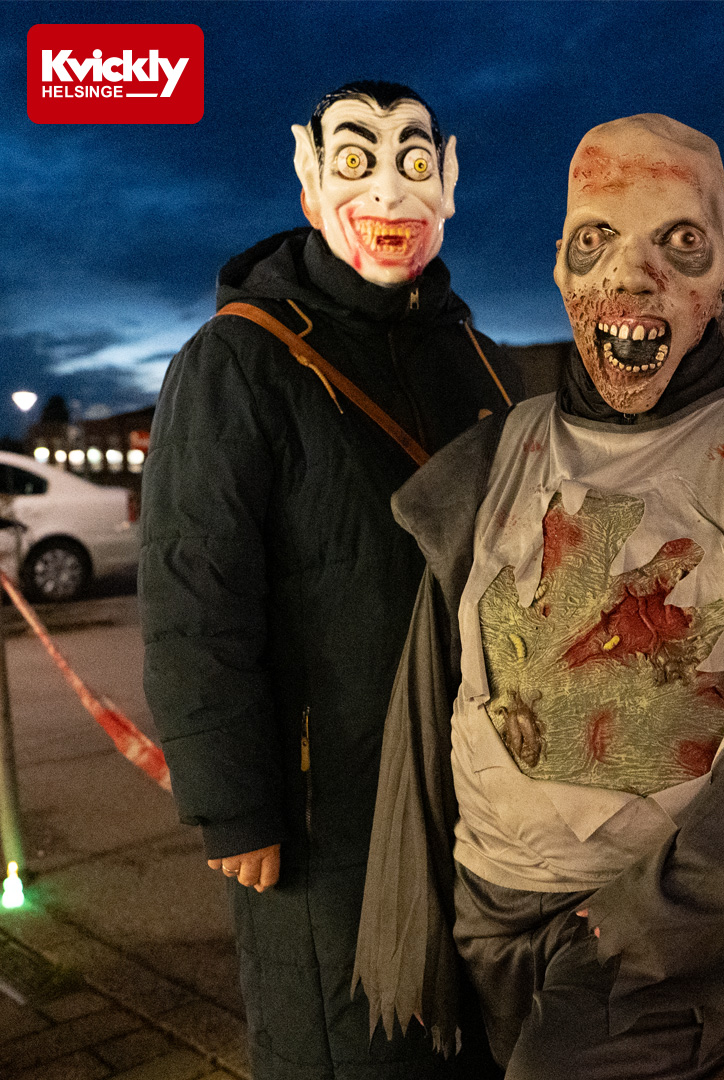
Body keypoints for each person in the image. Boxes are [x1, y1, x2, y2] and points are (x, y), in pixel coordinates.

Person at [356, 113, 724, 1079]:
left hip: (679, 943)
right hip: (493, 912)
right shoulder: (494, 457)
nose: (630, 274)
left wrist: (654, 915)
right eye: (597, 238)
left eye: (679, 241)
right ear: (559, 266)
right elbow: (438, 695)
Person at [140, 81, 519, 1079]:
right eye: (356, 161)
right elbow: (193, 592)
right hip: (327, 805)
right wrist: (234, 804)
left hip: (481, 792)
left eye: (414, 161)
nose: (389, 194)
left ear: (450, 180)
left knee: (472, 1043)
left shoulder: (481, 360)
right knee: (347, 1043)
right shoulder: (237, 362)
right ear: (310, 182)